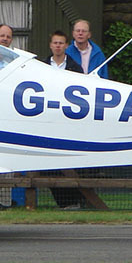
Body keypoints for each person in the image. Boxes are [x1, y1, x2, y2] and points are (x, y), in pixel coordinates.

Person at [43, 30, 88, 208]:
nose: (58, 46)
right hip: (47, 120)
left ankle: (75, 200)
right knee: (49, 165)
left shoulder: (75, 68)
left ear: (66, 46)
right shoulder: (43, 66)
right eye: (55, 43)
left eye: (61, 43)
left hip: (67, 120)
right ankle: (63, 202)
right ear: (50, 45)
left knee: (69, 162)